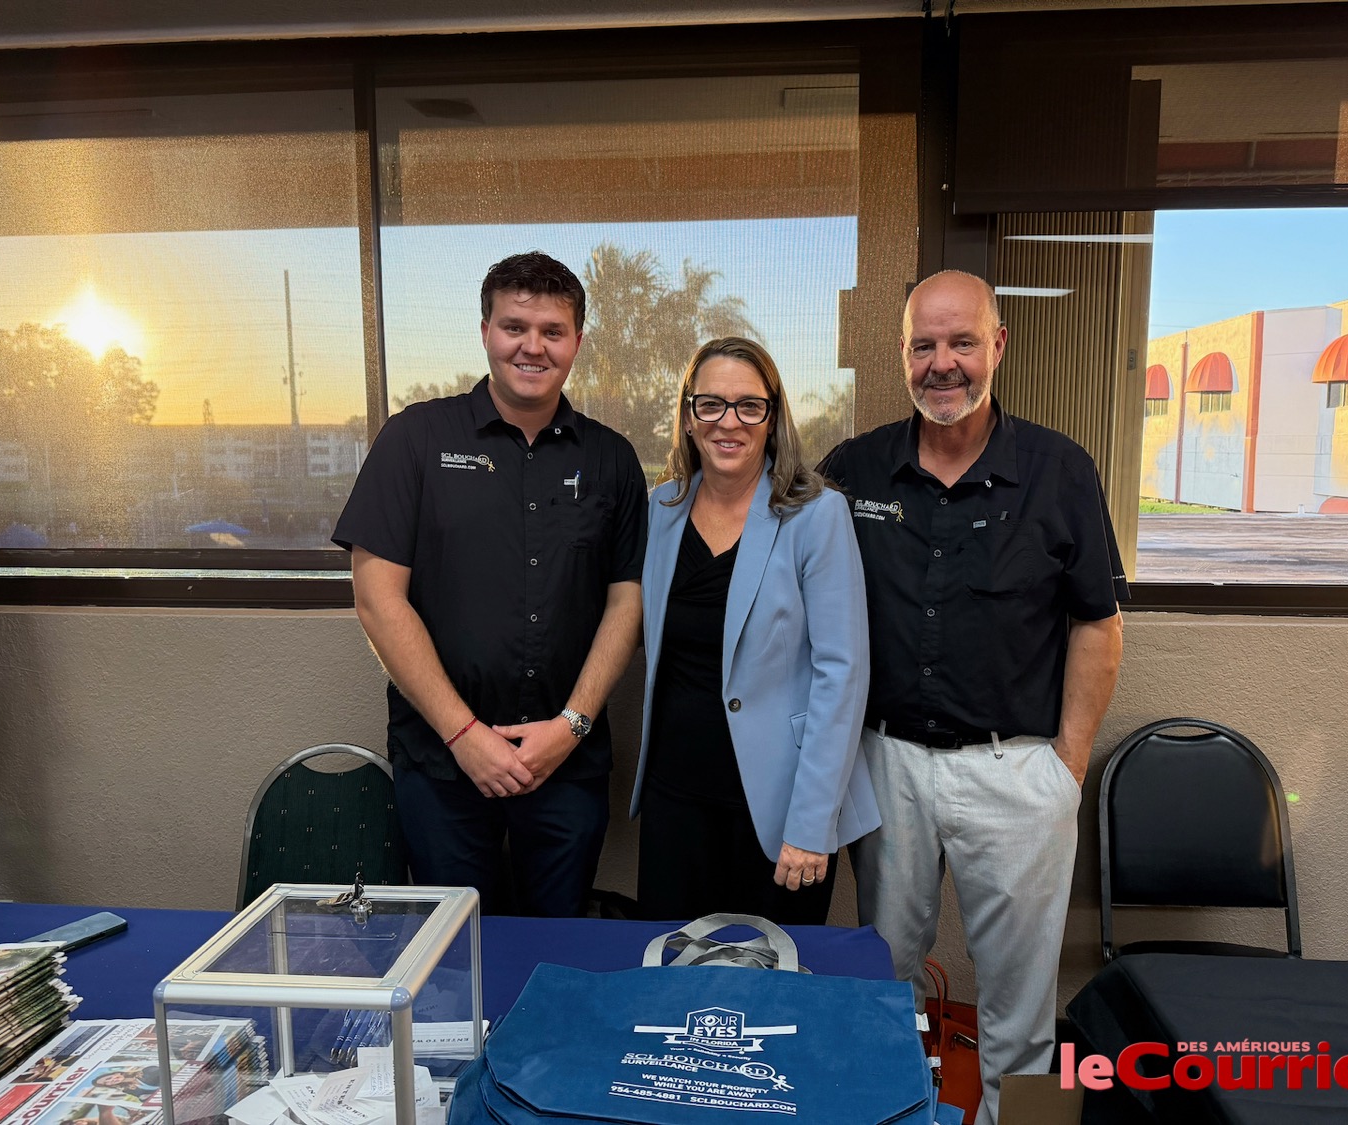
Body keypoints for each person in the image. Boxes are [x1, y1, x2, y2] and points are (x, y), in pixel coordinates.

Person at [819, 270, 1127, 1125]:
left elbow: (1098, 626)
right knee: (886, 986)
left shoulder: (1060, 470)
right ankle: (898, 1114)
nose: (942, 363)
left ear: (997, 346)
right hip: (886, 770)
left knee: (1025, 1013)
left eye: (962, 342)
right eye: (925, 344)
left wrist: (1067, 767)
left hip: (1017, 769)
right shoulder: (854, 470)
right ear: (903, 355)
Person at [334, 252, 648, 917]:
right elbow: (376, 596)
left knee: (554, 953)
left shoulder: (612, 459)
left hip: (567, 765)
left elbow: (627, 601)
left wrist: (572, 725)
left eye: (552, 331)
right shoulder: (416, 439)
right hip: (444, 764)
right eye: (514, 326)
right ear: (485, 332)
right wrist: (465, 735)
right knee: (455, 959)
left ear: (577, 342)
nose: (532, 345)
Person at [630, 337, 878, 925]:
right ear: (689, 417)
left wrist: (812, 824)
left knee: (773, 993)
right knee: (673, 982)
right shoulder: (659, 509)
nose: (728, 422)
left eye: (749, 405)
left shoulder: (816, 514)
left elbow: (842, 674)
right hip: (676, 800)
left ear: (773, 418)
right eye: (710, 404)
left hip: (779, 808)